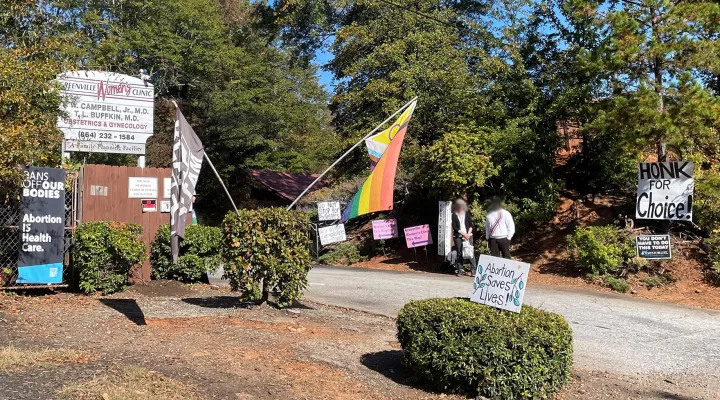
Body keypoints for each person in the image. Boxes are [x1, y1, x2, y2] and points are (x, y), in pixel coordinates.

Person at [451, 199, 473, 276]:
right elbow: (455, 227)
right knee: (459, 252)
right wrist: (464, 234)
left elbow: (471, 225)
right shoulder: (454, 215)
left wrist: (468, 234)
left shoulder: (467, 214)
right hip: (458, 236)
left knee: (470, 252)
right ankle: (460, 269)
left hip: (468, 235)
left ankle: (473, 270)